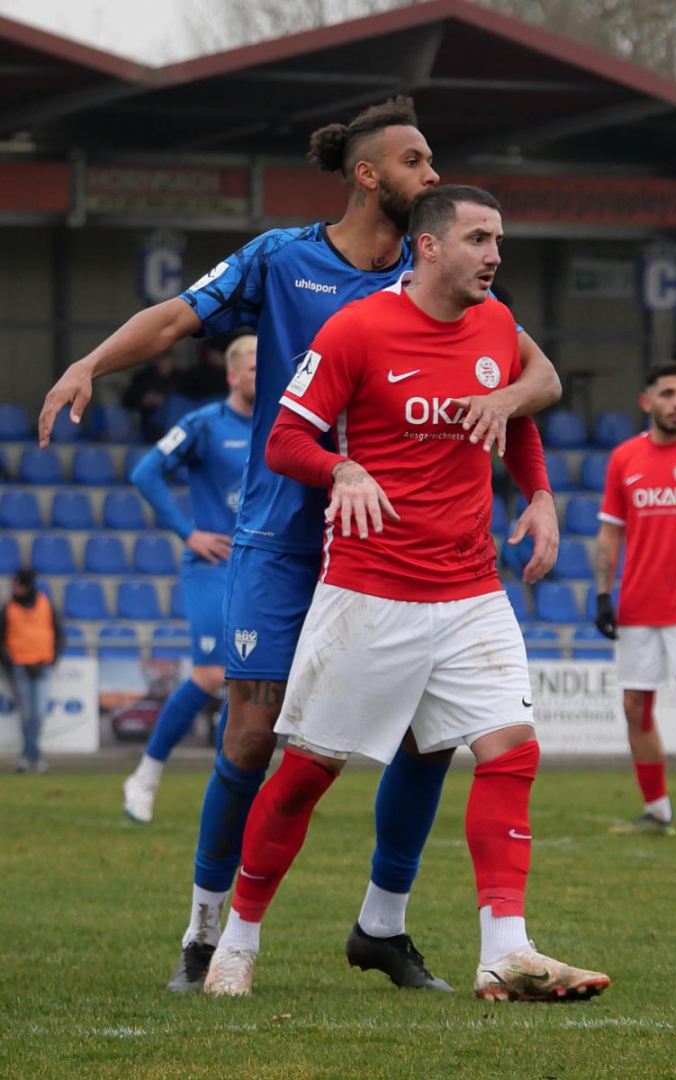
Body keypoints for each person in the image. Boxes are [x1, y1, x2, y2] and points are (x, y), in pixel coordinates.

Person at [38, 96, 561, 995]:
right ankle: (206, 935)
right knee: (252, 736)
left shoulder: (448, 278)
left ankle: (382, 927)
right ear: (368, 174)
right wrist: (91, 362)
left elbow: (517, 380)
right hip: (287, 531)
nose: (432, 174)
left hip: (400, 544)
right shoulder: (282, 259)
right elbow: (176, 317)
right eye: (415, 161)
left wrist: (539, 489)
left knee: (431, 741)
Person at [202, 185, 609, 1001]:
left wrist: (539, 495)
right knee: (308, 773)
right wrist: (342, 468)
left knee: (511, 750)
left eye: (499, 239)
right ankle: (236, 943)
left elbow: (517, 417)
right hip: (369, 591)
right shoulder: (356, 329)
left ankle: (507, 951)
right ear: (428, 247)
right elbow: (285, 439)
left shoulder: (495, 324)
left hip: (470, 587)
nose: (495, 254)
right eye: (479, 238)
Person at [122, 333, 256, 823]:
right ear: (232, 375)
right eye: (254, 368)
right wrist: (187, 532)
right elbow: (145, 472)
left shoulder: (281, 424)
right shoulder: (205, 423)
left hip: (260, 570)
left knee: (248, 684)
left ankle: (230, 796)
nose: (263, 376)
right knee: (210, 674)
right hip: (212, 566)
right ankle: (145, 776)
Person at [595, 361, 676, 839]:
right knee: (634, 706)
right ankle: (657, 813)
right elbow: (611, 532)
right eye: (668, 394)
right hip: (637, 605)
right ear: (647, 401)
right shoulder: (625, 457)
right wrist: (603, 594)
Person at [0, 569, 64, 774]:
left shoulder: (45, 604)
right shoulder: (8, 607)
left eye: (18, 584)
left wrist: (52, 659)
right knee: (27, 713)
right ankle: (33, 755)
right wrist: (9, 662)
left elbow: (59, 632)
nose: (14, 588)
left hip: (42, 665)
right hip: (19, 667)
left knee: (38, 712)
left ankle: (28, 755)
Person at [122, 351, 180, 442]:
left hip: (175, 423)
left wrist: (166, 402)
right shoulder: (144, 378)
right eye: (161, 360)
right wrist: (146, 400)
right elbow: (128, 400)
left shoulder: (180, 378)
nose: (164, 365)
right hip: (149, 423)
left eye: (168, 361)